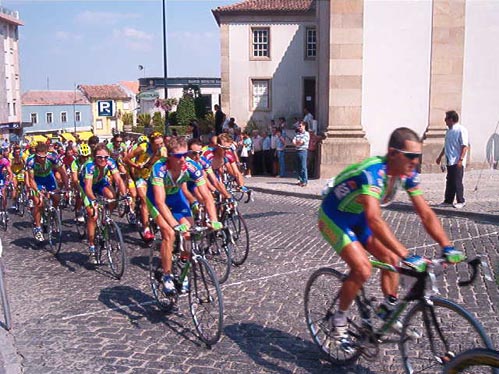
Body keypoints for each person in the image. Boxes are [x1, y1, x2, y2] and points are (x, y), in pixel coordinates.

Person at [318, 127, 466, 352]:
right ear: (393, 153)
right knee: (363, 268)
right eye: (411, 156)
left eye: (419, 157)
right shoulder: (372, 172)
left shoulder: (406, 174)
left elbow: (425, 212)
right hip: (334, 217)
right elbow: (375, 219)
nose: (415, 162)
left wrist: (446, 246)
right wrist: (407, 254)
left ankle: (388, 311)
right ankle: (338, 320)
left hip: (358, 218)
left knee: (391, 259)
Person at [436, 110, 469, 209]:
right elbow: (446, 145)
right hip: (449, 160)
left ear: (451, 119)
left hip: (457, 160)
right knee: (449, 181)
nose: (444, 120)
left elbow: (464, 146)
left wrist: (461, 160)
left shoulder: (461, 130)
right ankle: (448, 200)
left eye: (446, 118)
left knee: (457, 181)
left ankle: (461, 200)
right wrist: (440, 156)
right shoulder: (449, 131)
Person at [292, 121, 310, 187]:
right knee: (298, 167)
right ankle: (301, 180)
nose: (299, 127)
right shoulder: (298, 134)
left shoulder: (306, 134)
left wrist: (297, 143)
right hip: (297, 151)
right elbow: (293, 141)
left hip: (303, 151)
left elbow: (301, 142)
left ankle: (305, 181)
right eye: (298, 126)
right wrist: (297, 143)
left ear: (304, 126)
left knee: (303, 167)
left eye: (300, 126)